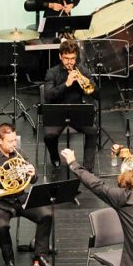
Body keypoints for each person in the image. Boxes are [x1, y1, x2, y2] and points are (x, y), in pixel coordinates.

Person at [0, 123, 53, 266]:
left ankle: (40, 255)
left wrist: (32, 173)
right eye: (10, 141)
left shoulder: (20, 154)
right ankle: (9, 260)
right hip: (1, 202)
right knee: (1, 226)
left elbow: (32, 181)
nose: (14, 144)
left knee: (46, 215)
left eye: (15, 140)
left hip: (21, 198)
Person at [43, 40, 98, 171]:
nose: (69, 62)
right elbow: (48, 95)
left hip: (78, 113)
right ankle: (55, 156)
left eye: (73, 59)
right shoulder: (52, 72)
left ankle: (88, 169)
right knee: (49, 136)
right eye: (66, 58)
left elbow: (96, 93)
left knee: (93, 131)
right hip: (57, 113)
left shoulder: (83, 70)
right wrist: (66, 85)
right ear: (60, 56)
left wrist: (87, 87)